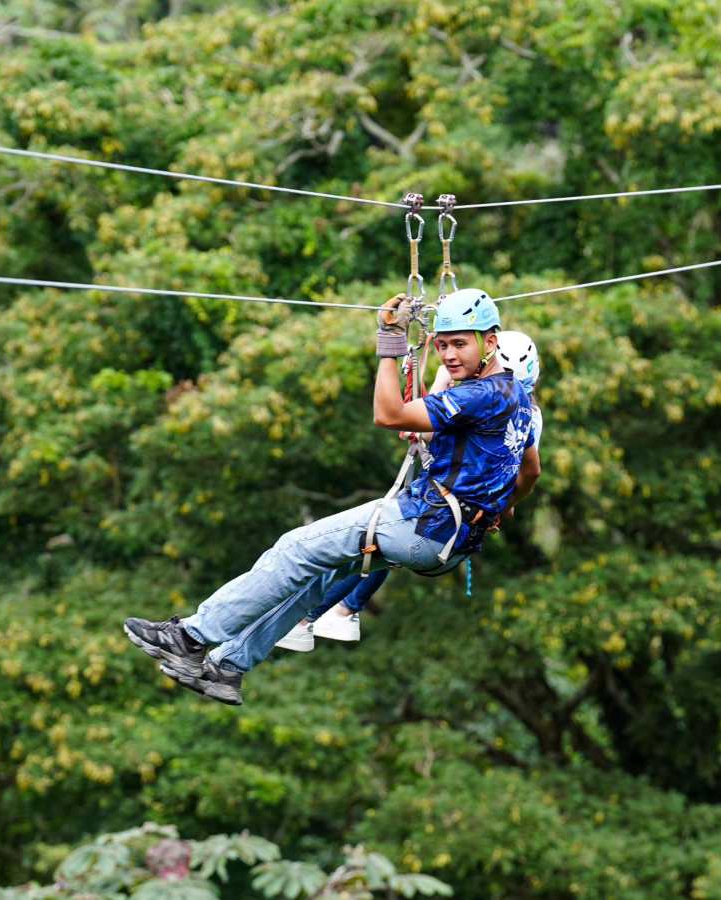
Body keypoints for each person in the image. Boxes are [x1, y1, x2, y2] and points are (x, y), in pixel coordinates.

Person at [123, 289, 540, 705]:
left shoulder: (479, 395)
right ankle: (227, 668)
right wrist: (494, 507)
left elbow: (389, 414)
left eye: (460, 344)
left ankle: (190, 637)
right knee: (319, 572)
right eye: (444, 345)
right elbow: (529, 471)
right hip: (450, 540)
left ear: (490, 341)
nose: (449, 355)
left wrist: (389, 343)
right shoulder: (518, 397)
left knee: (294, 549)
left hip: (421, 522)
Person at [276, 329, 544, 650]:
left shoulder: (489, 401)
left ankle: (316, 616)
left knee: (373, 543)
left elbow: (427, 425)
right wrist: (504, 504)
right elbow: (526, 472)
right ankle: (344, 610)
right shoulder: (526, 411)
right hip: (463, 521)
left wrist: (442, 377)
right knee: (380, 551)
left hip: (444, 508)